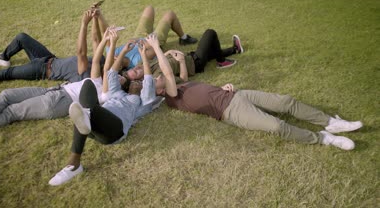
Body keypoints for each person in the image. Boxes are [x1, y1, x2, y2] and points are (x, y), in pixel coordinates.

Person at [148, 35, 363, 151]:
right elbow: (166, 73)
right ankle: (324, 139)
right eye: (157, 78)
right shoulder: (170, 97)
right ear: (157, 90)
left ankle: (329, 121)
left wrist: (178, 61)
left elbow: (181, 76)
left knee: (286, 102)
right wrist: (157, 48)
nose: (161, 75)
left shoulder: (180, 85)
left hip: (235, 94)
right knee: (277, 126)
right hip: (229, 111)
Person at [48, 34, 176, 186]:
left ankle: (76, 154)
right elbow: (111, 73)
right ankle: (83, 131)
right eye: (134, 81)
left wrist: (144, 57)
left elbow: (148, 80)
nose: (137, 82)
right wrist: (123, 51)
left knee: (86, 111)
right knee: (88, 84)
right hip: (96, 123)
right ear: (127, 85)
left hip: (114, 129)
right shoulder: (116, 93)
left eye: (140, 82)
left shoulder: (144, 102)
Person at [0, 26, 121, 133]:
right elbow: (98, 50)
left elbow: (104, 66)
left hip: (57, 99)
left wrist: (112, 45)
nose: (117, 75)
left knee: (12, 111)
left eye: (119, 76)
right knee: (6, 94)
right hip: (54, 86)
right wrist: (106, 35)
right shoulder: (97, 74)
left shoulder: (104, 90)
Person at [0, 7, 103, 83]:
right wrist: (95, 18)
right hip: (48, 58)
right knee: (22, 37)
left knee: (5, 74)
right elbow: (96, 40)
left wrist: (83, 24)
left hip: (41, 70)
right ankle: (3, 57)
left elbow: (81, 52)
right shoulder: (100, 61)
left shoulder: (89, 75)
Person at [123, 28, 244, 85]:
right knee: (210, 33)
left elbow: (158, 58)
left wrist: (168, 52)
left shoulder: (143, 65)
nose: (137, 68)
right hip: (195, 63)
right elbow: (183, 80)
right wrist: (181, 62)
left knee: (212, 52)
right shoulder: (157, 78)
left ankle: (235, 49)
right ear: (141, 79)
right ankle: (221, 61)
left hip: (190, 56)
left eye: (134, 69)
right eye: (137, 72)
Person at [104, 5, 198, 70]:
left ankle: (159, 29)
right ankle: (184, 38)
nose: (114, 56)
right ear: (119, 66)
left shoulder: (112, 54)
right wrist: (141, 42)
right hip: (152, 40)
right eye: (115, 59)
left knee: (149, 9)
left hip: (139, 36)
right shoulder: (136, 62)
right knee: (170, 14)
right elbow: (153, 49)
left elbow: (106, 35)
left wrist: (98, 15)